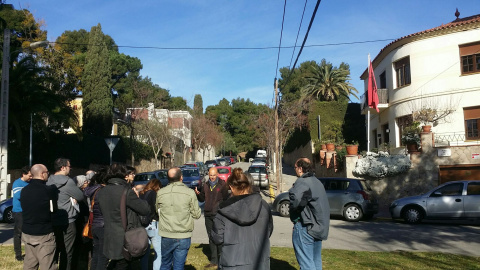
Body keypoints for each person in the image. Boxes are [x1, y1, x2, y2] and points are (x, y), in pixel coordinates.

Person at [211, 167, 273, 269]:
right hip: (260, 262)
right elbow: (269, 230)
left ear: (231, 187)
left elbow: (217, 238)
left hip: (232, 263)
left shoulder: (223, 209)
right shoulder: (264, 205)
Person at [97, 164, 150, 270]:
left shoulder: (101, 192)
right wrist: (137, 197)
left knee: (115, 263)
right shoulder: (126, 191)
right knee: (122, 264)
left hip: (109, 235)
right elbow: (145, 209)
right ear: (123, 175)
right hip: (125, 237)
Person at [156, 167, 201, 270]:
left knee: (165, 263)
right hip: (183, 234)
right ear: (181, 177)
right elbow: (197, 214)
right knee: (179, 266)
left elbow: (157, 210)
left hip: (166, 234)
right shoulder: (189, 192)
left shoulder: (161, 193)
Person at [289, 157, 330, 270]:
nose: (295, 170)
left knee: (307, 264)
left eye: (295, 167)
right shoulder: (317, 181)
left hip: (306, 227)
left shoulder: (302, 182)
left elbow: (295, 200)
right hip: (319, 227)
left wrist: (294, 215)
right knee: (315, 261)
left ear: (301, 168)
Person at [47, 158, 84, 270]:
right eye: (69, 166)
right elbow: (80, 196)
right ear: (63, 168)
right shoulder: (68, 181)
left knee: (54, 249)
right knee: (67, 251)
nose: (70, 168)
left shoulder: (48, 180)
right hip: (68, 220)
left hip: (52, 219)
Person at [21, 164, 58, 270]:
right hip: (43, 234)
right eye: (47, 172)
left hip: (27, 232)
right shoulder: (48, 190)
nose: (48, 175)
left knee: (30, 264)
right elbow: (53, 210)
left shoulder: (24, 190)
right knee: (48, 265)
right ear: (42, 174)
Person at [194, 167, 229, 269]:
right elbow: (202, 198)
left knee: (220, 237)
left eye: (214, 175)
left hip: (219, 214)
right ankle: (214, 260)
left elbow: (226, 199)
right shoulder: (205, 185)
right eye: (210, 175)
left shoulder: (223, 185)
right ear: (208, 175)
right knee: (211, 237)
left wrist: (221, 208)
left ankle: (222, 259)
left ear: (217, 174)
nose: (212, 177)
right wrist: (198, 194)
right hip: (208, 214)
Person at [83, 168, 108, 270]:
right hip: (103, 224)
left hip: (95, 224)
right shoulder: (103, 191)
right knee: (102, 256)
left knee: (96, 254)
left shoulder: (93, 190)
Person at [139, 179, 162, 270]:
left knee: (145, 251)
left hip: (143, 225)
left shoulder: (141, 194)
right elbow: (157, 210)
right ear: (157, 186)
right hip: (153, 223)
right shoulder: (154, 194)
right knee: (158, 252)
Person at [12, 165, 32, 261]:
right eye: (29, 175)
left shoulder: (31, 182)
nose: (31, 177)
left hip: (29, 211)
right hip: (19, 211)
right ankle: (18, 255)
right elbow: (19, 195)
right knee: (18, 233)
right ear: (24, 174)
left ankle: (31, 253)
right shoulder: (17, 183)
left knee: (30, 233)